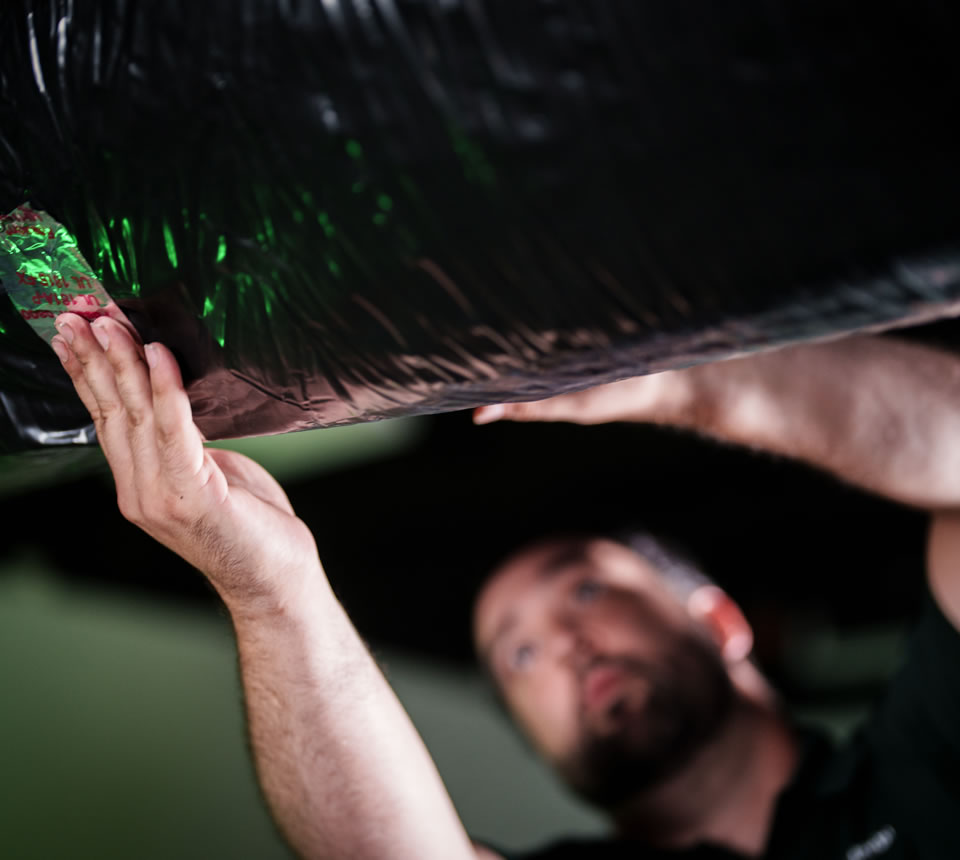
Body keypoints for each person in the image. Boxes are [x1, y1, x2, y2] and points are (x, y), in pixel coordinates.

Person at [49, 312, 960, 859]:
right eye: (518, 656)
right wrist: (269, 588)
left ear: (718, 617)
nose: (560, 646)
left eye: (589, 591)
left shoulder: (925, 767)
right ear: (539, 745)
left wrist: (689, 381)